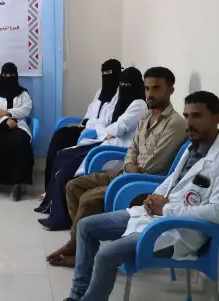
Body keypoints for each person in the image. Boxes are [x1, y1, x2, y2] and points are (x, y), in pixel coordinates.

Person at [63, 91, 219, 301]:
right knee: (85, 226)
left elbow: (216, 211)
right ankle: (76, 295)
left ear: (216, 117)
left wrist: (166, 209)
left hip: (178, 231)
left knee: (106, 255)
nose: (189, 122)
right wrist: (153, 197)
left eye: (197, 116)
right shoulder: (192, 147)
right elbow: (171, 180)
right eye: (187, 116)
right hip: (156, 216)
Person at [48, 67, 186, 268]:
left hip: (144, 184)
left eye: (156, 88)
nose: (150, 94)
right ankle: (80, 245)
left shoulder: (175, 123)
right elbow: (133, 148)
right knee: (73, 186)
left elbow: (154, 164)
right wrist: (129, 165)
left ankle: (78, 251)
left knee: (88, 199)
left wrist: (131, 169)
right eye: (147, 88)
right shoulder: (147, 116)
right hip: (128, 174)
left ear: (170, 90)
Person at [37, 67, 147, 226]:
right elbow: (108, 122)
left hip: (115, 150)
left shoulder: (139, 105)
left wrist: (107, 131)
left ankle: (61, 217)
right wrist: (106, 131)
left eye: (127, 84)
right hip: (103, 141)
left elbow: (119, 127)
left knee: (68, 168)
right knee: (62, 155)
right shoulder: (120, 99)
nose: (123, 87)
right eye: (122, 83)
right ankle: (51, 204)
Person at [41, 59, 122, 199]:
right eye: (103, 72)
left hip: (98, 135)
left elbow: (107, 122)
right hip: (86, 129)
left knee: (64, 153)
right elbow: (90, 113)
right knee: (59, 136)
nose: (105, 75)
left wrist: (90, 123)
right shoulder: (100, 92)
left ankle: (56, 191)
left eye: (109, 72)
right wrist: (88, 122)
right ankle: (49, 188)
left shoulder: (120, 96)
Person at [0, 62, 35, 201]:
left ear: (16, 75)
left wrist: (7, 112)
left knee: (21, 143)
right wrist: (5, 119)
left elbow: (26, 109)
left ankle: (18, 184)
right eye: (5, 74)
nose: (8, 77)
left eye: (11, 74)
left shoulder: (23, 92)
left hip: (18, 125)